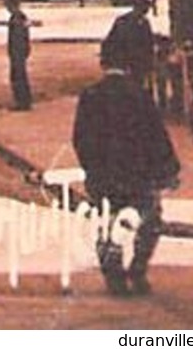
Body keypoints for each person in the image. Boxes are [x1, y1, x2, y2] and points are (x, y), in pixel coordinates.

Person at [73, 43, 181, 297]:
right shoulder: (139, 94)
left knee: (107, 223)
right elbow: (156, 135)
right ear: (129, 66)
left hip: (103, 175)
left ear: (103, 65)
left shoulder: (90, 95)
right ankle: (138, 269)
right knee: (149, 221)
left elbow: (80, 138)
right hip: (137, 174)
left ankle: (114, 275)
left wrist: (91, 167)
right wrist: (168, 169)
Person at [103, 0, 157, 97]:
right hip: (129, 58)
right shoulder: (125, 21)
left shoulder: (142, 22)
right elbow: (118, 40)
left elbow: (148, 42)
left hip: (136, 59)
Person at [6, 0, 32, 111]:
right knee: (20, 76)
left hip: (17, 52)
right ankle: (24, 101)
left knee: (18, 77)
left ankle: (22, 102)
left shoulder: (16, 18)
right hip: (20, 51)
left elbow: (17, 37)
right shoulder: (21, 17)